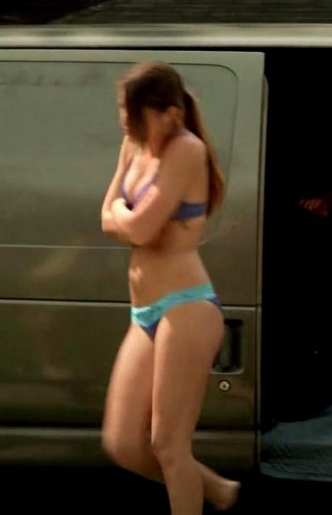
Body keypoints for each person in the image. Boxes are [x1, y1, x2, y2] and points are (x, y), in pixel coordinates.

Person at [99, 61, 241, 515]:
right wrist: (128, 219)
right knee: (122, 442)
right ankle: (216, 490)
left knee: (168, 444)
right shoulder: (133, 145)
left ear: (168, 113)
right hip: (144, 311)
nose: (124, 121)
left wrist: (126, 218)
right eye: (122, 110)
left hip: (186, 307)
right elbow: (106, 217)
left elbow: (137, 229)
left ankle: (202, 496)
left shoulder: (186, 150)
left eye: (132, 112)